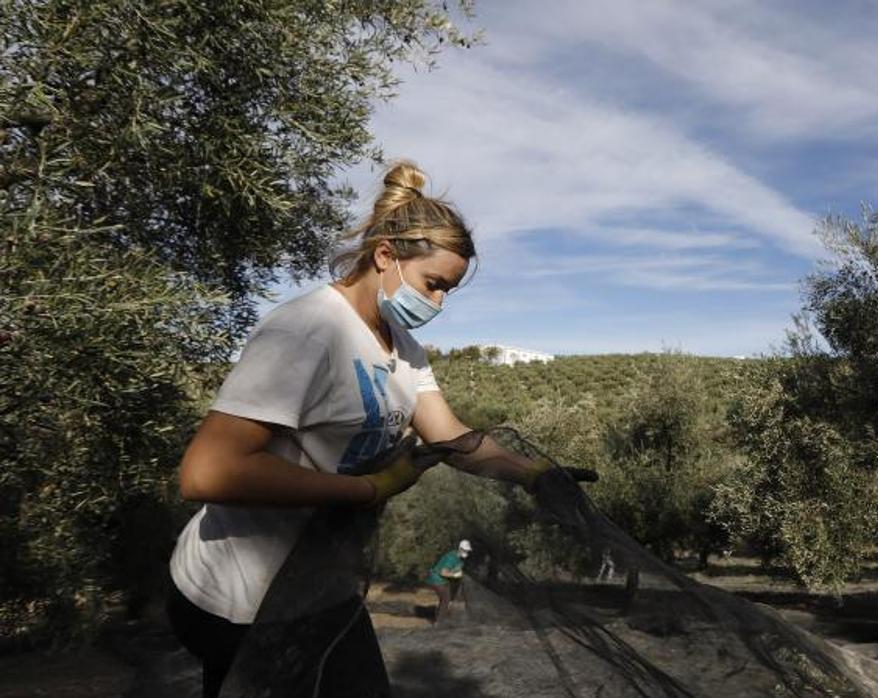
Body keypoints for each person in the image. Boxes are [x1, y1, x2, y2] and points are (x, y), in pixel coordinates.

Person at [165, 162, 594, 698]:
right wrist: (367, 489)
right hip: (239, 599)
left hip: (318, 587)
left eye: (448, 293)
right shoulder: (307, 331)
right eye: (433, 285)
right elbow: (207, 472)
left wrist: (534, 474)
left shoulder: (402, 347)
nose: (437, 304)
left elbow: (450, 436)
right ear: (386, 256)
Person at [424, 539, 471, 624]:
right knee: (446, 599)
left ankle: (439, 617)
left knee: (444, 599)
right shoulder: (451, 558)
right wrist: (454, 575)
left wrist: (458, 572)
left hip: (443, 580)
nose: (466, 552)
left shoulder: (459, 559)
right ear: (460, 549)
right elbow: (443, 572)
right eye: (464, 550)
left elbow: (456, 568)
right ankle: (439, 622)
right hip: (437, 579)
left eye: (467, 551)